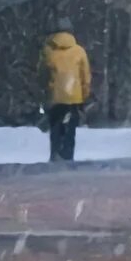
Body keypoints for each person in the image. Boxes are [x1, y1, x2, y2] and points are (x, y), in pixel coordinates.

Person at [41, 26, 93, 163]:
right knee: (71, 128)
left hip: (55, 96)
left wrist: (44, 92)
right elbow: (85, 76)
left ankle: (55, 153)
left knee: (55, 125)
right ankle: (68, 154)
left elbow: (41, 73)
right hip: (74, 97)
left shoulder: (47, 50)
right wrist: (84, 94)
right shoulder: (79, 51)